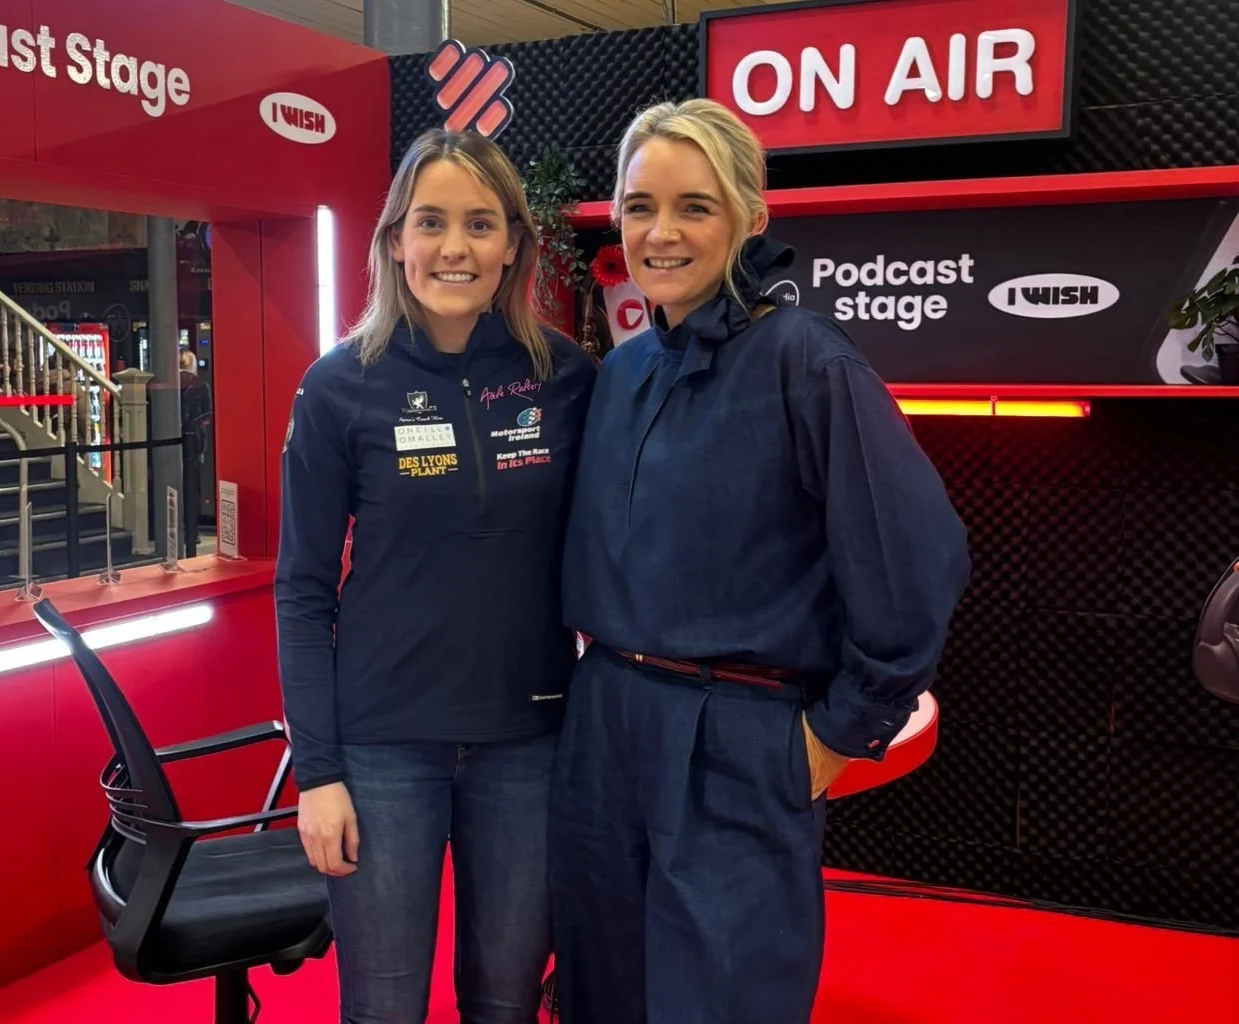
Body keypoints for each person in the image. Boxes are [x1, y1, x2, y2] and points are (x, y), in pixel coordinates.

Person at [549, 98, 972, 1023]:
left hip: (736, 732)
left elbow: (914, 559)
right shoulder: (620, 373)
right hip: (603, 723)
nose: (662, 232)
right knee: (601, 991)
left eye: (694, 207)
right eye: (640, 206)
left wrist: (841, 731)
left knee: (722, 998)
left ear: (750, 216)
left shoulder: (806, 362)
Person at [274, 128, 597, 1023]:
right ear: (395, 242)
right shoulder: (338, 386)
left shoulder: (567, 380)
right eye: (431, 222)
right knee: (383, 1010)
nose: (456, 247)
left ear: (514, 245)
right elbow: (301, 591)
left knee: (504, 1001)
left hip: (529, 743)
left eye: (480, 224)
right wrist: (317, 773)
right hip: (381, 749)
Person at [178, 347, 213, 558]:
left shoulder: (171, 383)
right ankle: (193, 532)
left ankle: (182, 528)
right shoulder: (200, 385)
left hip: (176, 439)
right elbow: (207, 415)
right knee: (194, 486)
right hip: (195, 441)